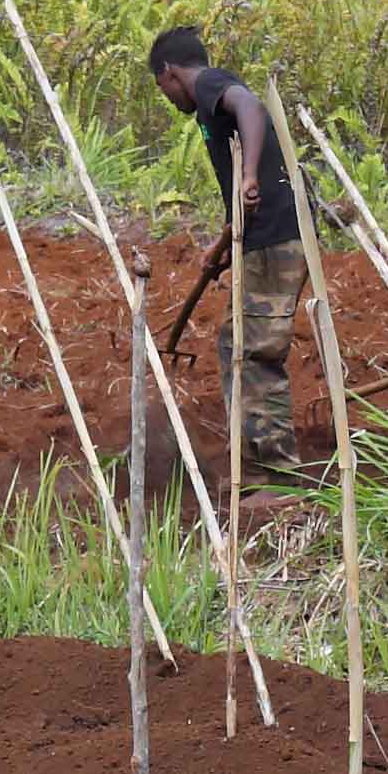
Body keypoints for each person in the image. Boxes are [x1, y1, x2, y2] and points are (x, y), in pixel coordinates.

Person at [147, 27, 310, 478]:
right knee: (234, 343)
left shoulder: (211, 85)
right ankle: (257, 466)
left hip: (276, 236)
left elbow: (251, 106)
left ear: (170, 73)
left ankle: (280, 476)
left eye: (162, 89)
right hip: (263, 234)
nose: (167, 98)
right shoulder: (209, 103)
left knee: (254, 351)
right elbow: (241, 199)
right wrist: (221, 247)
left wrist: (250, 176)